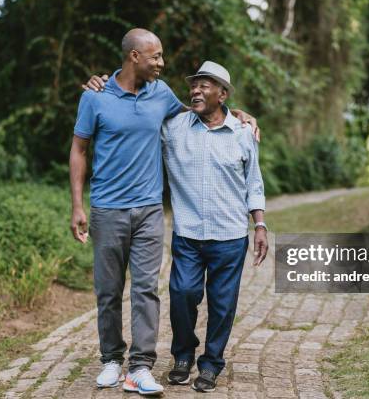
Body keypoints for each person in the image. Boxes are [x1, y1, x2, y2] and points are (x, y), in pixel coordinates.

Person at [71, 28, 257, 396]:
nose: (161, 62)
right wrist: (78, 204)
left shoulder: (161, 94)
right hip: (107, 209)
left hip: (150, 210)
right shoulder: (95, 98)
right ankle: (111, 358)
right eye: (155, 56)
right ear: (134, 57)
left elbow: (200, 114)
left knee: (146, 290)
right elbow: (79, 149)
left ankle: (140, 367)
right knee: (108, 291)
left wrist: (236, 112)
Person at [161, 61, 268, 393]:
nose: (196, 90)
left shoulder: (243, 133)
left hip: (230, 236)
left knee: (222, 305)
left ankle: (211, 365)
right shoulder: (174, 127)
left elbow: (254, 183)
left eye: (205, 86)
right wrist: (106, 83)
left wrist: (260, 224)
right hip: (188, 234)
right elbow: (135, 101)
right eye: (194, 85)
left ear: (222, 95)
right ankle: (182, 355)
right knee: (182, 294)